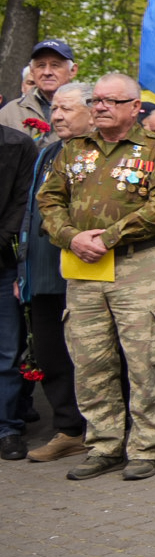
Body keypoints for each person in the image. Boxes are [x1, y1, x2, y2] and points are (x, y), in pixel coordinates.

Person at [37, 73, 155, 480]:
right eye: (96, 100)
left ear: (135, 107)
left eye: (110, 101)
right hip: (83, 267)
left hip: (136, 266)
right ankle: (104, 445)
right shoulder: (73, 150)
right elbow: (49, 201)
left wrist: (108, 237)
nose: (100, 107)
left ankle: (145, 447)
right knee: (91, 361)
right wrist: (70, 236)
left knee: (145, 360)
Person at [17, 82, 93, 461]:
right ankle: (68, 429)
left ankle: (99, 428)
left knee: (89, 356)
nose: (57, 115)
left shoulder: (97, 153)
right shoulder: (48, 152)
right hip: (42, 273)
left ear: (92, 112)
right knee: (50, 354)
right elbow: (30, 214)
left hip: (82, 273)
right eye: (55, 109)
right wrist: (23, 271)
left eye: (67, 109)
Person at [0, 117, 33, 460]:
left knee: (6, 353)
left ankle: (7, 427)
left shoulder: (18, 145)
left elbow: (23, 204)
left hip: (3, 261)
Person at [0, 38, 77, 140]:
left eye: (55, 65)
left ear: (73, 71)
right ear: (32, 70)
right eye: (41, 65)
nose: (47, 72)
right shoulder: (10, 112)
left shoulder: (89, 110)